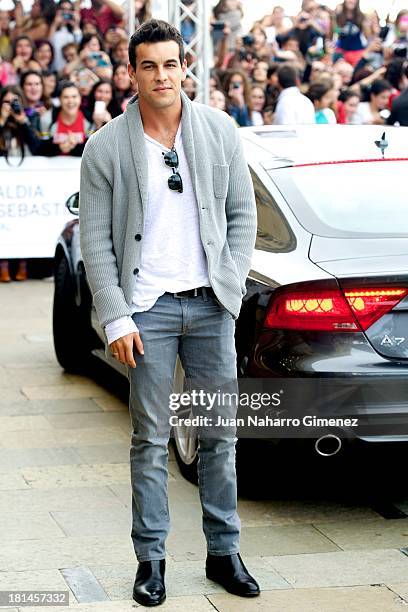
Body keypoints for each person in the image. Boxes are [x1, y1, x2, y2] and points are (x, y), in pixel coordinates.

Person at [79, 18, 259, 607]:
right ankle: (151, 560)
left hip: (211, 308)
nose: (162, 75)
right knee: (150, 440)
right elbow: (96, 243)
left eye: (171, 63)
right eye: (148, 65)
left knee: (219, 437)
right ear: (131, 73)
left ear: (187, 67)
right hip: (146, 312)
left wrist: (228, 285)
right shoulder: (106, 147)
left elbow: (241, 217)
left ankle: (223, 552)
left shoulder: (220, 131)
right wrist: (116, 317)